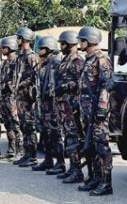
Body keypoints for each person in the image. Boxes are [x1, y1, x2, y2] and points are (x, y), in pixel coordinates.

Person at [76, 26, 113, 196]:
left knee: (101, 146)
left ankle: (106, 183)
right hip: (87, 111)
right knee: (90, 146)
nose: (79, 43)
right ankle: (95, 178)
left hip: (98, 111)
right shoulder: (88, 59)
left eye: (82, 40)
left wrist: (101, 109)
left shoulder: (101, 59)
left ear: (89, 40)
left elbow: (106, 85)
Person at [31, 37, 65, 175]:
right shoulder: (43, 65)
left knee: (56, 134)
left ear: (48, 49)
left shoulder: (56, 64)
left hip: (53, 105)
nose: (38, 51)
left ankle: (60, 163)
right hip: (44, 105)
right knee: (45, 134)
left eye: (41, 48)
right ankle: (48, 160)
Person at [55, 30, 84, 183]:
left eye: (62, 43)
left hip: (72, 105)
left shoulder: (77, 60)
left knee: (73, 138)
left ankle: (77, 171)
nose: (60, 46)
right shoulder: (65, 59)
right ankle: (72, 168)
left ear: (69, 43)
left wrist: (65, 86)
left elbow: (81, 81)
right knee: (68, 137)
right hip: (63, 105)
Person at [12, 27, 38, 167]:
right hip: (20, 97)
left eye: (18, 38)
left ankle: (32, 156)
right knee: (23, 126)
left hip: (28, 97)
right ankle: (27, 154)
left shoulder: (30, 56)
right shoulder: (20, 56)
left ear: (24, 39)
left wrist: (23, 83)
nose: (17, 40)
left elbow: (35, 76)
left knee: (29, 126)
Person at [0, 36, 24, 160]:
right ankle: (11, 149)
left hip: (12, 98)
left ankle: (20, 151)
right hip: (4, 97)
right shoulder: (4, 63)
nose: (1, 50)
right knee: (8, 124)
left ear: (10, 48)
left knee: (16, 124)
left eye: (3, 48)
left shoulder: (17, 62)